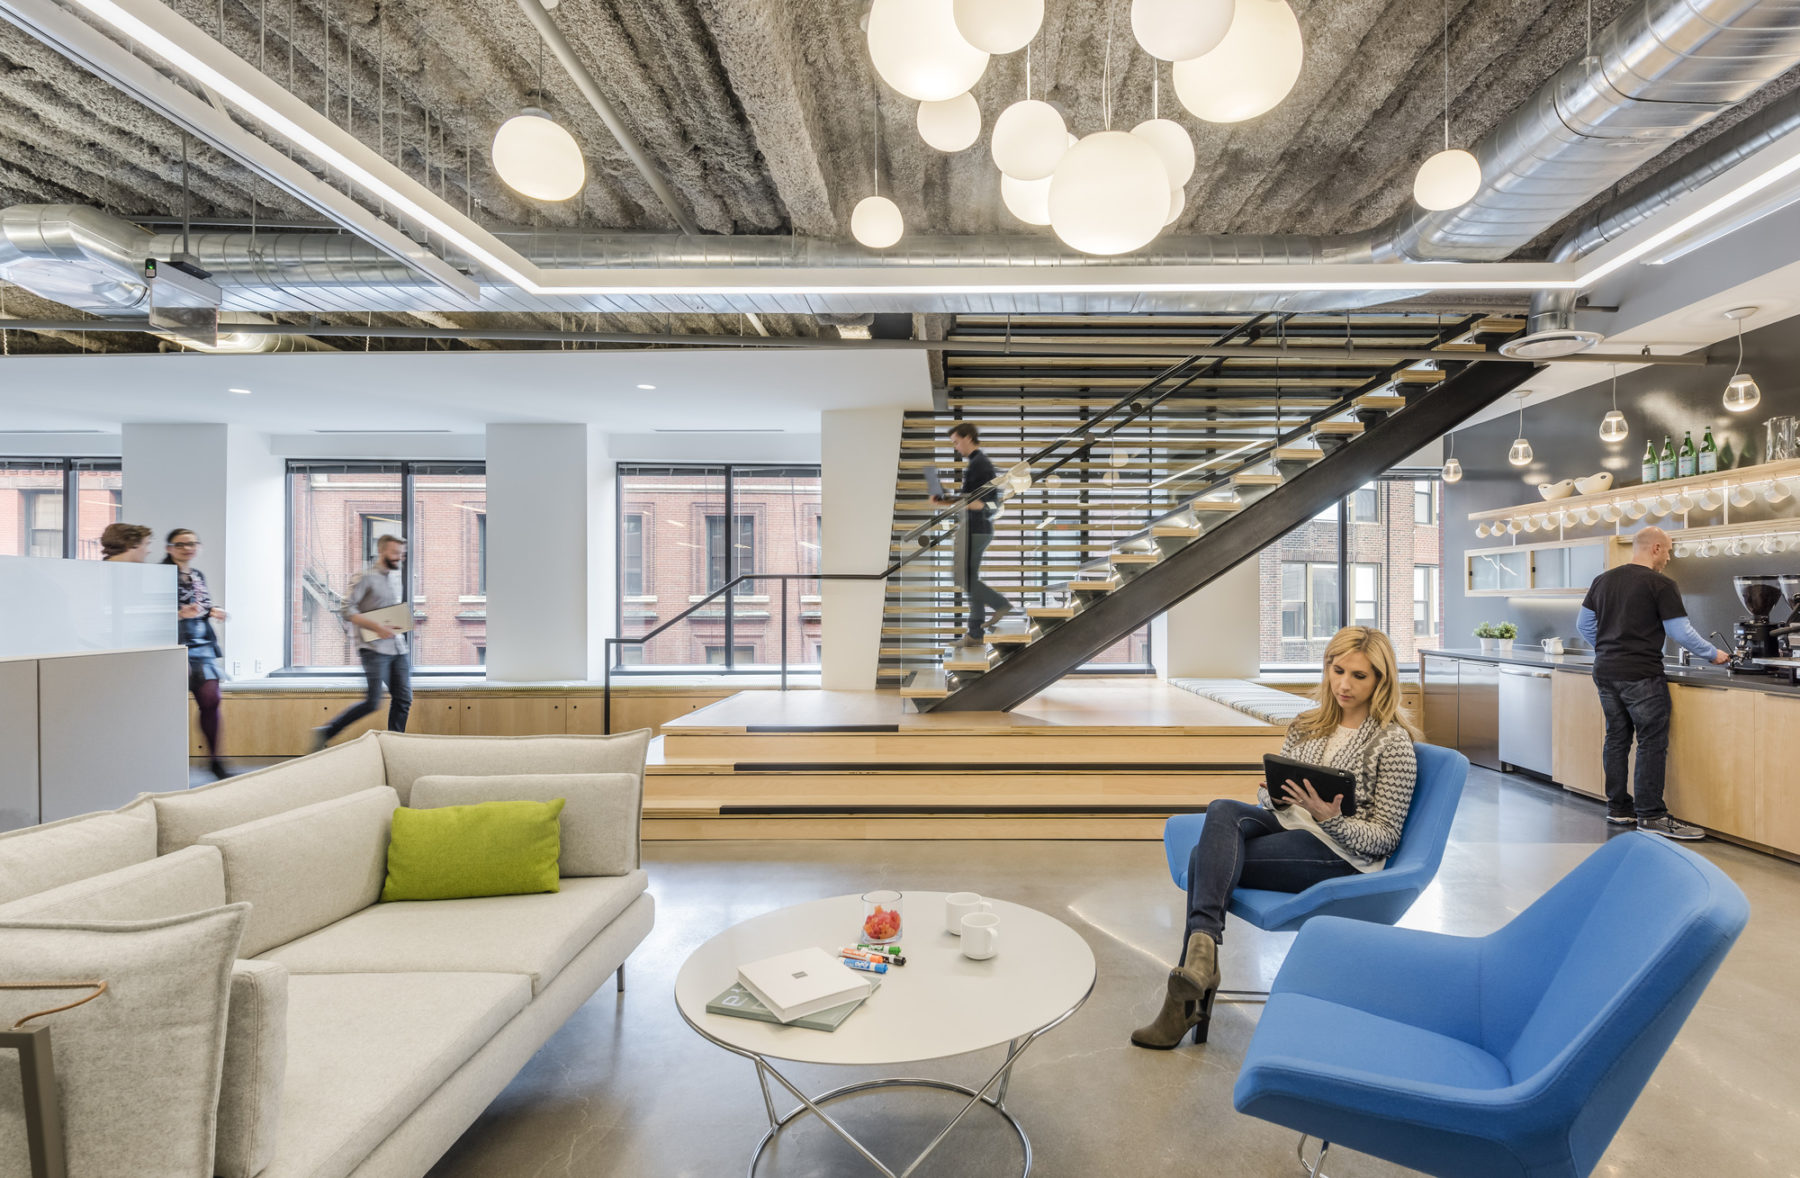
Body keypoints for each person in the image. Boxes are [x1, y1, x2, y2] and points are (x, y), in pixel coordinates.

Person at [1131, 626, 1420, 1049]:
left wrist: (1331, 818)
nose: (1343, 684)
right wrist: (1274, 796)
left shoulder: (1392, 744)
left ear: (1381, 680)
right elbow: (1280, 806)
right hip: (1289, 825)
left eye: (1359, 676)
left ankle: (1191, 986)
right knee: (1223, 810)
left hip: (1337, 851)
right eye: (1337, 670)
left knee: (1202, 860)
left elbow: (1384, 838)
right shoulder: (1307, 724)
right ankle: (1202, 955)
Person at [1576, 526, 1726, 840]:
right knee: (1651, 742)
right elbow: (1680, 632)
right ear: (1656, 548)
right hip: (1641, 673)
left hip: (1605, 670)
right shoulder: (1660, 584)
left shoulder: (1603, 580)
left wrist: (1608, 648)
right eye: (1669, 551)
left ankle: (1619, 808)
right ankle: (1652, 815)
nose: (1669, 558)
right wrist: (1713, 655)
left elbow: (1584, 624)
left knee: (1616, 739)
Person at [314, 535, 412, 748]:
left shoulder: (394, 577)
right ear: (383, 551)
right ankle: (327, 731)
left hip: (397, 648)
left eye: (401, 554)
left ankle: (395, 745)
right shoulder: (365, 577)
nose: (399, 558)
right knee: (372, 702)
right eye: (395, 553)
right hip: (374, 649)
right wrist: (376, 626)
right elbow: (347, 609)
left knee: (404, 699)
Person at [930, 422, 1013, 646]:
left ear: (968, 438)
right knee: (969, 579)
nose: (956, 447)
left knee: (962, 577)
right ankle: (974, 634)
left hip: (976, 530)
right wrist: (945, 499)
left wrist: (949, 500)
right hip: (975, 528)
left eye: (956, 442)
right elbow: (969, 501)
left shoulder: (980, 464)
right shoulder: (977, 464)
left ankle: (1000, 604)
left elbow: (985, 503)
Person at [164, 529, 232, 779]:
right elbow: (148, 610)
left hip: (202, 643)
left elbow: (201, 606)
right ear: (169, 548)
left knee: (212, 699)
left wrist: (213, 611)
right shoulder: (160, 574)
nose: (187, 548)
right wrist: (179, 614)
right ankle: (167, 760)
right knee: (169, 705)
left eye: (192, 544)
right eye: (181, 544)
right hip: (174, 642)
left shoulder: (197, 575)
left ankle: (215, 759)